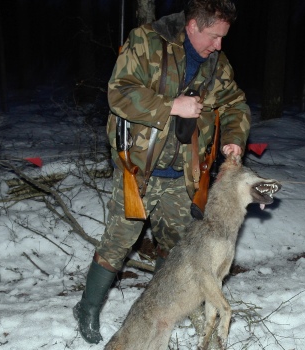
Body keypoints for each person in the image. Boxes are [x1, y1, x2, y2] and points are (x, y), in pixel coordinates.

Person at [73, 0, 251, 344]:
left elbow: (234, 105)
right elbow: (119, 92)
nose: (219, 45)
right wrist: (171, 106)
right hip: (138, 169)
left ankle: (162, 311)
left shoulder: (218, 64)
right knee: (117, 243)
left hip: (184, 176)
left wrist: (233, 140)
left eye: (223, 38)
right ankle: (87, 309)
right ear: (194, 25)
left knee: (176, 251)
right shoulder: (146, 41)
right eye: (214, 37)